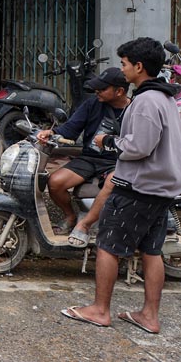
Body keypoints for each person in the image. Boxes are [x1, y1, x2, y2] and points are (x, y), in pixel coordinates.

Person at [62, 37, 181, 333]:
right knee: (151, 251)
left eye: (125, 64)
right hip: (162, 187)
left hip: (137, 187)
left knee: (107, 246)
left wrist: (108, 141)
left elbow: (139, 147)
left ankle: (100, 310)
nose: (122, 69)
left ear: (139, 67)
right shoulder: (165, 98)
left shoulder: (144, 101)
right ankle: (149, 316)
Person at [38, 67, 129, 246]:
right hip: (89, 158)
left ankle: (84, 225)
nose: (97, 92)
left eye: (102, 89)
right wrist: (52, 132)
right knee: (55, 182)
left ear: (119, 91)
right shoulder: (91, 104)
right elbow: (71, 129)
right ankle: (70, 216)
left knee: (112, 183)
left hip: (118, 162)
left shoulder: (135, 110)